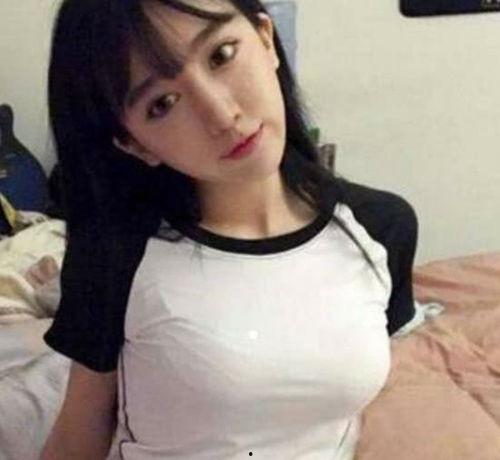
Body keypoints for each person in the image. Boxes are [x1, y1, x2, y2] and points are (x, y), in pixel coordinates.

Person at [40, 0, 418, 459]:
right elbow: (80, 430)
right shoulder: (118, 250)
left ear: (265, 38)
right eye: (163, 104)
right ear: (135, 144)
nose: (221, 115)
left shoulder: (380, 226)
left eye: (221, 55)